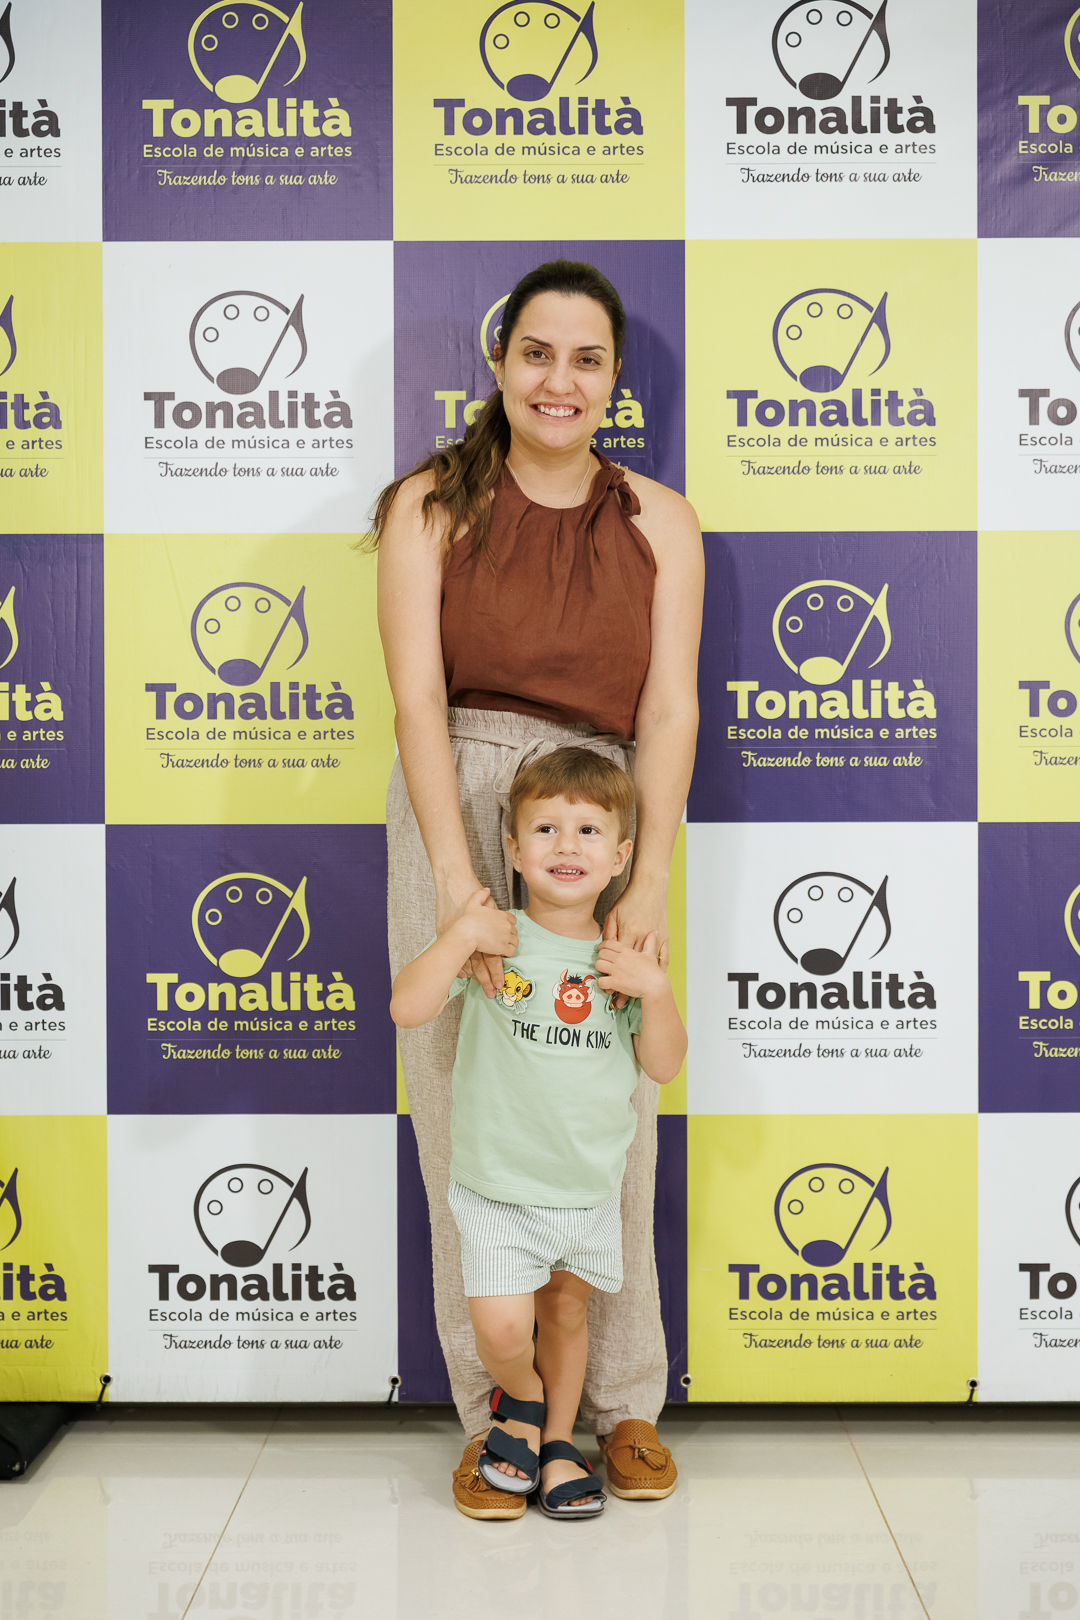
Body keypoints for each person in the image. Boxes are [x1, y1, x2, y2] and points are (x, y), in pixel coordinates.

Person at [373, 258, 703, 1516]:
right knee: (462, 1113)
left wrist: (648, 876)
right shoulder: (428, 503)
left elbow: (668, 709)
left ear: (614, 379)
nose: (560, 381)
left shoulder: (660, 520)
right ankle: (496, 1415)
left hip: (603, 809)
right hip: (457, 794)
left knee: (609, 1110)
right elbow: (416, 697)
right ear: (501, 362)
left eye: (587, 359)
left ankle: (621, 1404)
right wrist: (460, 883)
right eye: (538, 353)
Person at [390, 750, 687, 1519]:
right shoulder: (498, 939)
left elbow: (662, 1065)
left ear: (621, 856)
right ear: (514, 850)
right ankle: (519, 1397)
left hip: (584, 1187)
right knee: (501, 1328)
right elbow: (408, 1007)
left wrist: (656, 993)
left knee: (564, 1314)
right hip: (496, 1185)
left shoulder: (623, 958)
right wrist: (459, 934)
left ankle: (557, 1443)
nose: (566, 845)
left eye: (589, 830)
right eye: (546, 828)